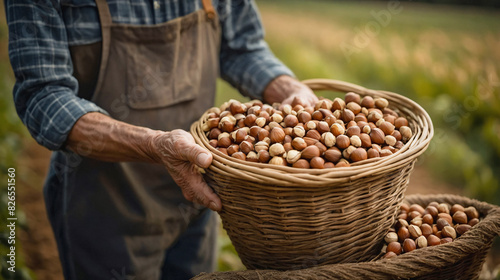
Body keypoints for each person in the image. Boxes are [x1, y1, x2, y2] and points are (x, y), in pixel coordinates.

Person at [4, 0, 318, 279]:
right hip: (105, 203)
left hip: (199, 193)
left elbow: (242, 47)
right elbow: (44, 95)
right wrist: (156, 145)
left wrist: (288, 88)